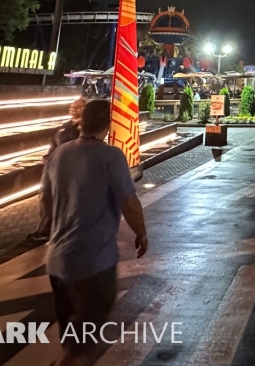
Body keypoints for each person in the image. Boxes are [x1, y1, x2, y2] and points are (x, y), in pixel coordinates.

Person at [41, 99, 149, 365]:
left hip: (56, 264)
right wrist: (141, 233)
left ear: (82, 121)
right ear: (107, 125)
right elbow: (129, 201)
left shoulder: (59, 154)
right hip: (93, 264)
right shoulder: (110, 156)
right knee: (81, 350)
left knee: (72, 341)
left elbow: (45, 201)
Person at [26, 97, 85, 245]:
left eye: (77, 107)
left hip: (66, 169)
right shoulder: (65, 125)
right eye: (71, 107)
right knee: (46, 198)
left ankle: (52, 230)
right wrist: (47, 157)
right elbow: (54, 143)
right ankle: (46, 228)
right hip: (52, 166)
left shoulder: (83, 129)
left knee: (60, 199)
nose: (72, 109)